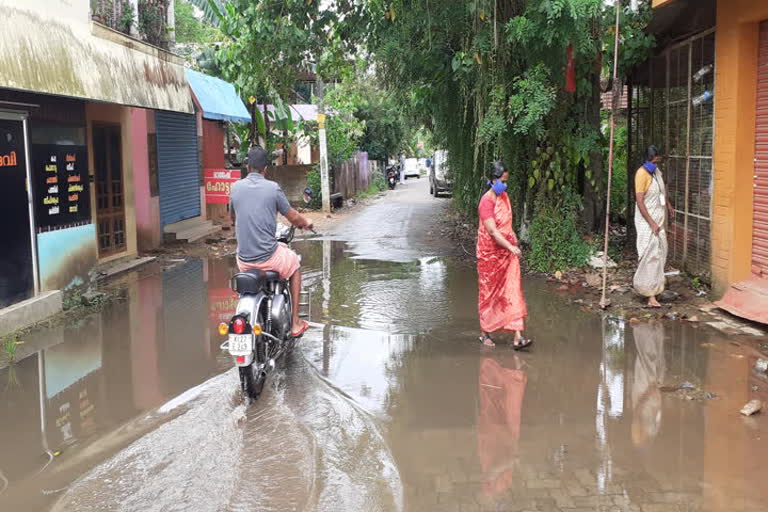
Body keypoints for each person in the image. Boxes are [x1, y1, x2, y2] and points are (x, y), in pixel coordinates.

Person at [229, 146, 313, 338]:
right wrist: (305, 223)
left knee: (278, 252)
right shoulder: (273, 188)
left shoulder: (235, 188)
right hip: (268, 258)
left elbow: (232, 219)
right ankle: (295, 323)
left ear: (248, 166)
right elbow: (293, 217)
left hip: (244, 260)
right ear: (265, 168)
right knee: (294, 263)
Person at [476, 161, 532, 349]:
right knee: (489, 294)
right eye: (502, 181)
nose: (505, 185)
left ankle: (518, 337)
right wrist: (511, 247)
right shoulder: (486, 201)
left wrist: (513, 240)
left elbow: (506, 224)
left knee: (511, 291)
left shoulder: (504, 197)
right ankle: (485, 334)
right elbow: (492, 231)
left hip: (506, 253)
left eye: (506, 181)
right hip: (490, 255)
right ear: (493, 181)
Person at [633, 145, 673, 308]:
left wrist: (668, 205)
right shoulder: (641, 174)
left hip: (658, 219)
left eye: (657, 161)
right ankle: (649, 294)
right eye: (654, 161)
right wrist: (651, 223)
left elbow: (661, 192)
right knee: (650, 256)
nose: (656, 164)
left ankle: (656, 288)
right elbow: (640, 202)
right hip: (647, 221)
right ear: (648, 159)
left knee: (660, 253)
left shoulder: (656, 172)